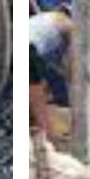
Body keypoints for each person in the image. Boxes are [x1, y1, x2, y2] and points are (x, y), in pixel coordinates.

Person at [29, 8, 74, 139]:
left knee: (36, 92)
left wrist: (63, 72)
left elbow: (49, 63)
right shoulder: (66, 21)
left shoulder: (44, 24)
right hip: (27, 46)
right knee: (38, 99)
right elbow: (72, 53)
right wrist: (71, 73)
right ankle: (48, 138)